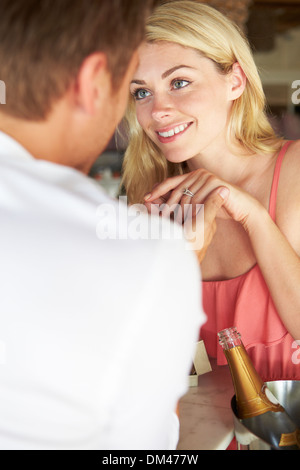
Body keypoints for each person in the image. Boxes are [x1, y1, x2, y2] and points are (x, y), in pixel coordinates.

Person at [0, 0, 207, 450]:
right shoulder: (144, 254)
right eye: (133, 89)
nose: (153, 111)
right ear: (94, 82)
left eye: (179, 82)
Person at [122, 0, 300, 382]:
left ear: (235, 81)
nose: (158, 110)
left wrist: (253, 216)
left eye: (179, 83)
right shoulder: (152, 204)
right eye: (141, 92)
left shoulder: (295, 172)